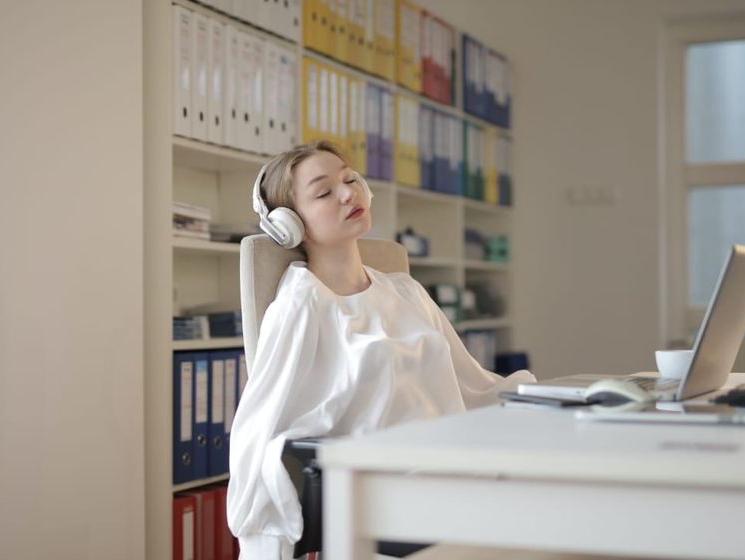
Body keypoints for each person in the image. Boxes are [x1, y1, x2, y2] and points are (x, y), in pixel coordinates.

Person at [226, 140, 535, 559]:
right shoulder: (302, 305)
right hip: (391, 498)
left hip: (454, 478)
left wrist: (561, 403)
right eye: (324, 191)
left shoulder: (405, 290)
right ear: (289, 224)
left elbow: (475, 387)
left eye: (350, 179)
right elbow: (260, 433)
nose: (349, 193)